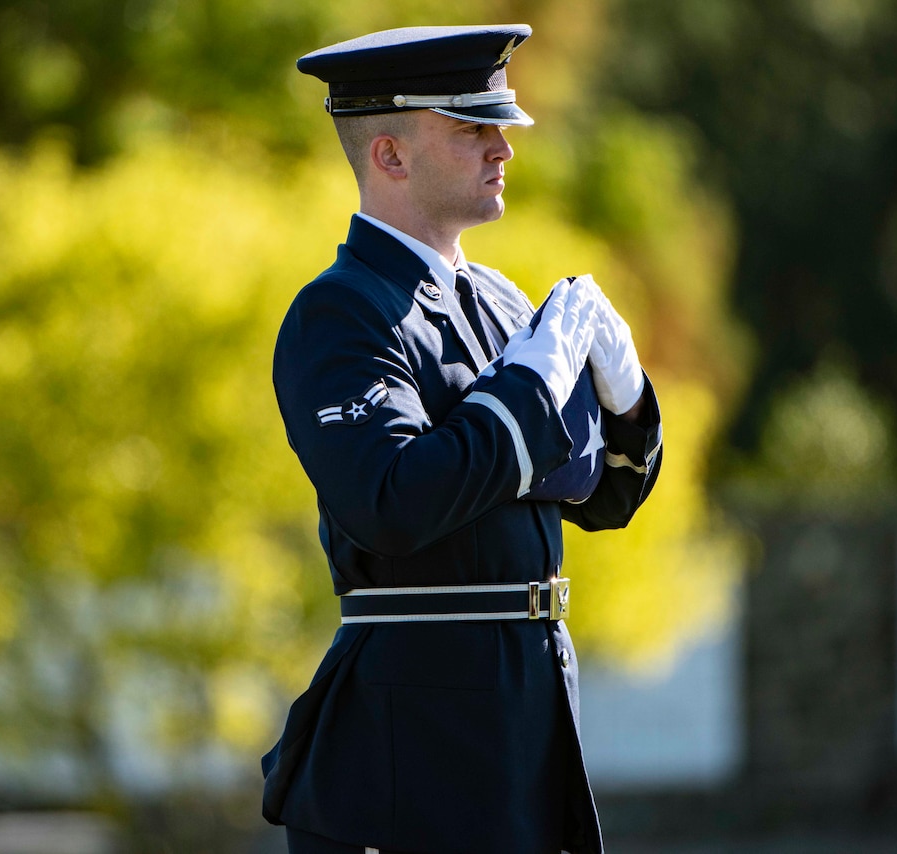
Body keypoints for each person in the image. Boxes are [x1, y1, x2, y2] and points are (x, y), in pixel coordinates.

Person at [260, 25, 664, 854]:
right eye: (471, 128)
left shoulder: (507, 308)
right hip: (412, 742)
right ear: (392, 156)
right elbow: (396, 502)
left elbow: (604, 493)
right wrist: (526, 392)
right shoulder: (340, 314)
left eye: (500, 126)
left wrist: (629, 401)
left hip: (529, 721)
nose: (503, 148)